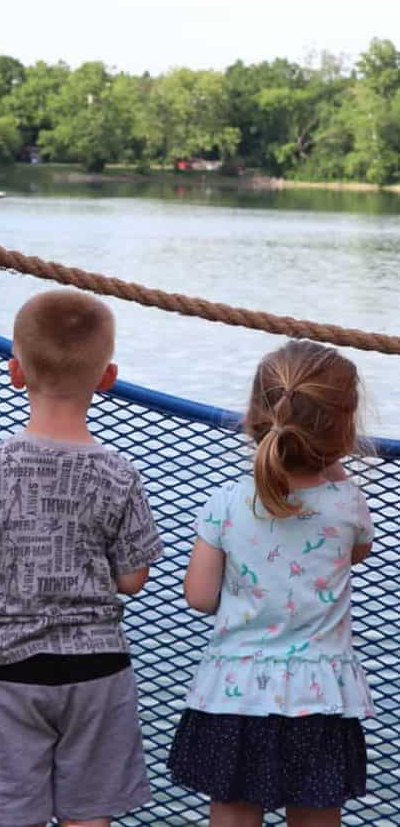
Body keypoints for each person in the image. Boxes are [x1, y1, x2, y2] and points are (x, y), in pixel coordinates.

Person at [0, 289, 163, 827]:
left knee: (15, 814)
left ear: (16, 371)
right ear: (106, 377)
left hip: (10, 669)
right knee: (90, 814)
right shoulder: (120, 473)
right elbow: (133, 579)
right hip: (98, 670)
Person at [167, 340, 375, 827]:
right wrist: (330, 465)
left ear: (255, 417)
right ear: (343, 429)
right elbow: (356, 552)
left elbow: (199, 597)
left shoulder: (226, 502)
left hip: (234, 696)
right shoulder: (349, 504)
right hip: (320, 698)